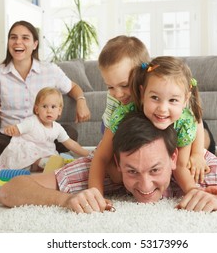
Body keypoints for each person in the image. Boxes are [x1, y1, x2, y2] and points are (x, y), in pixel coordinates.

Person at [0, 111, 217, 213]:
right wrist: (63, 200)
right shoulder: (100, 165)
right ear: (117, 163)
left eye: (155, 170)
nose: (145, 185)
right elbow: (8, 190)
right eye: (132, 171)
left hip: (186, 125)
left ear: (173, 160)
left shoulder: (197, 168)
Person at [88, 39, 210, 197]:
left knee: (202, 141)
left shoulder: (172, 98)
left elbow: (196, 120)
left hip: (185, 127)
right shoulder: (119, 108)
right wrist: (95, 190)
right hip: (115, 125)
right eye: (110, 87)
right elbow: (102, 154)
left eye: (125, 85)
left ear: (141, 75)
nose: (117, 94)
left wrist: (198, 154)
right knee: (116, 175)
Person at [0, 20, 90, 166]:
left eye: (25, 38)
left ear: (35, 44)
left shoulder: (50, 70)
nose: (18, 42)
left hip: (42, 137)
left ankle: (18, 159)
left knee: (69, 133)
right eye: (13, 37)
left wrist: (81, 100)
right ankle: (39, 160)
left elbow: (73, 87)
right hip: (10, 138)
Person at [0, 87, 90, 172]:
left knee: (54, 157)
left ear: (59, 111)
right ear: (37, 109)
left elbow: (71, 143)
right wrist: (12, 129)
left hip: (44, 152)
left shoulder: (57, 128)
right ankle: (42, 164)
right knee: (32, 152)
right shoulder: (31, 122)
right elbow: (18, 128)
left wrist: (87, 154)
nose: (49, 110)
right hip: (25, 153)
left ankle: (44, 165)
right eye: (44, 106)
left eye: (53, 107)